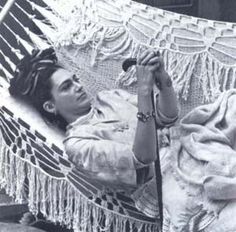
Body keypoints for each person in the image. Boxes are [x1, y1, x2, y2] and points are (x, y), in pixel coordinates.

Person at [9, 47, 178, 218]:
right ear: (50, 106)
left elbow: (167, 116)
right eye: (66, 87)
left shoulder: (109, 98)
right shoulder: (78, 144)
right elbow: (144, 157)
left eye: (75, 80)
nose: (78, 87)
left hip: (182, 148)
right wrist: (144, 90)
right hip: (163, 184)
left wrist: (162, 77)